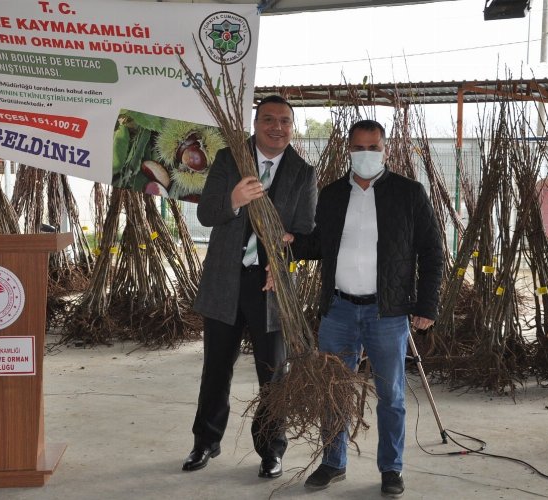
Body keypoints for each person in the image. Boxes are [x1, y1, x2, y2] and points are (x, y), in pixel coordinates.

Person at [285, 119, 443, 497]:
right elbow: (320, 243)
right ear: (349, 150)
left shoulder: (409, 193)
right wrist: (291, 243)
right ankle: (333, 462)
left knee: (392, 396)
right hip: (339, 310)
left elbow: (432, 251)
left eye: (374, 147)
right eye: (359, 147)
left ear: (384, 150)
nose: (366, 154)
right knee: (333, 390)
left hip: (386, 313)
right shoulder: (333, 194)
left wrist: (427, 303)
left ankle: (391, 468)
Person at [184, 95, 317, 478]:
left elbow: (305, 233)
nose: (277, 127)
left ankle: (272, 450)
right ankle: (205, 442)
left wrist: (285, 262)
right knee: (216, 368)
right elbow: (208, 213)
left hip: (271, 285)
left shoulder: (302, 173)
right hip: (226, 280)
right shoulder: (230, 160)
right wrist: (235, 199)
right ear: (255, 124)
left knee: (272, 373)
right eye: (269, 120)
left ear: (293, 127)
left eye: (285, 121)